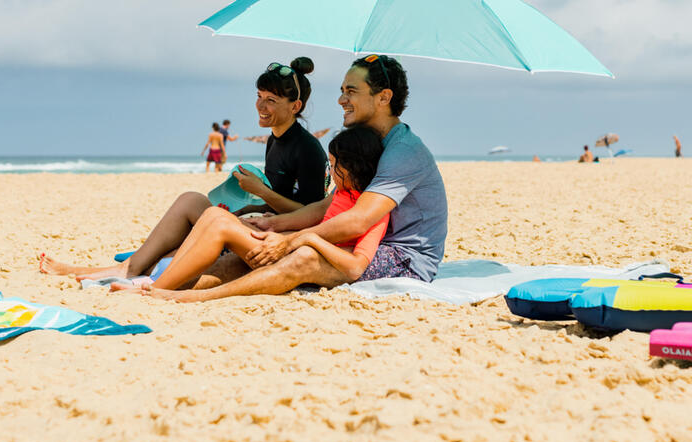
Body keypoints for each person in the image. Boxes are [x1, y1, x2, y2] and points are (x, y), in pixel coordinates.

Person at [117, 53, 449, 303]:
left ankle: (186, 297)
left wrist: (292, 239)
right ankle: (160, 283)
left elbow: (358, 221)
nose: (340, 99)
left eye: (351, 91)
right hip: (359, 243)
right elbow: (328, 205)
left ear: (383, 98)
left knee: (300, 255)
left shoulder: (402, 151)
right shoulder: (366, 145)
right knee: (249, 244)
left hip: (402, 257)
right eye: (341, 90)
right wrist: (275, 225)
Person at [39, 57, 328, 280]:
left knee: (200, 226)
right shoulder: (275, 141)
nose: (260, 106)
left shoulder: (307, 149)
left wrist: (259, 191)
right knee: (191, 199)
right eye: (259, 96)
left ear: (295, 106)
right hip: (263, 222)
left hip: (279, 240)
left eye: (271, 100)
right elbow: (278, 198)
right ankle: (127, 268)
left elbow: (310, 215)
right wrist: (243, 209)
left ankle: (127, 270)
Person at [114, 126, 388, 295]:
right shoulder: (342, 191)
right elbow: (316, 210)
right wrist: (275, 223)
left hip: (295, 256)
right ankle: (152, 277)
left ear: (353, 167)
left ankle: (157, 289)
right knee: (212, 215)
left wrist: (305, 238)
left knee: (219, 222)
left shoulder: (374, 206)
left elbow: (354, 267)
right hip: (288, 242)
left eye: (334, 165)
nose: (330, 171)